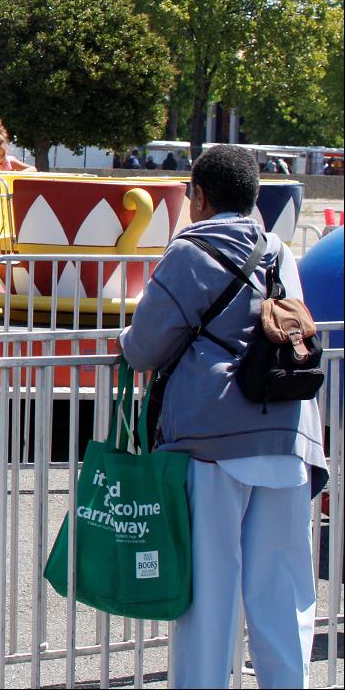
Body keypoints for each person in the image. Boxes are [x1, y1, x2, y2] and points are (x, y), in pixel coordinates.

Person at [119, 144, 325, 688]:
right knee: (282, 598)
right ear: (255, 197)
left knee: (210, 599)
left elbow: (143, 348)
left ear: (200, 197)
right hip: (287, 434)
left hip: (211, 442)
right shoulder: (280, 251)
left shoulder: (190, 251)